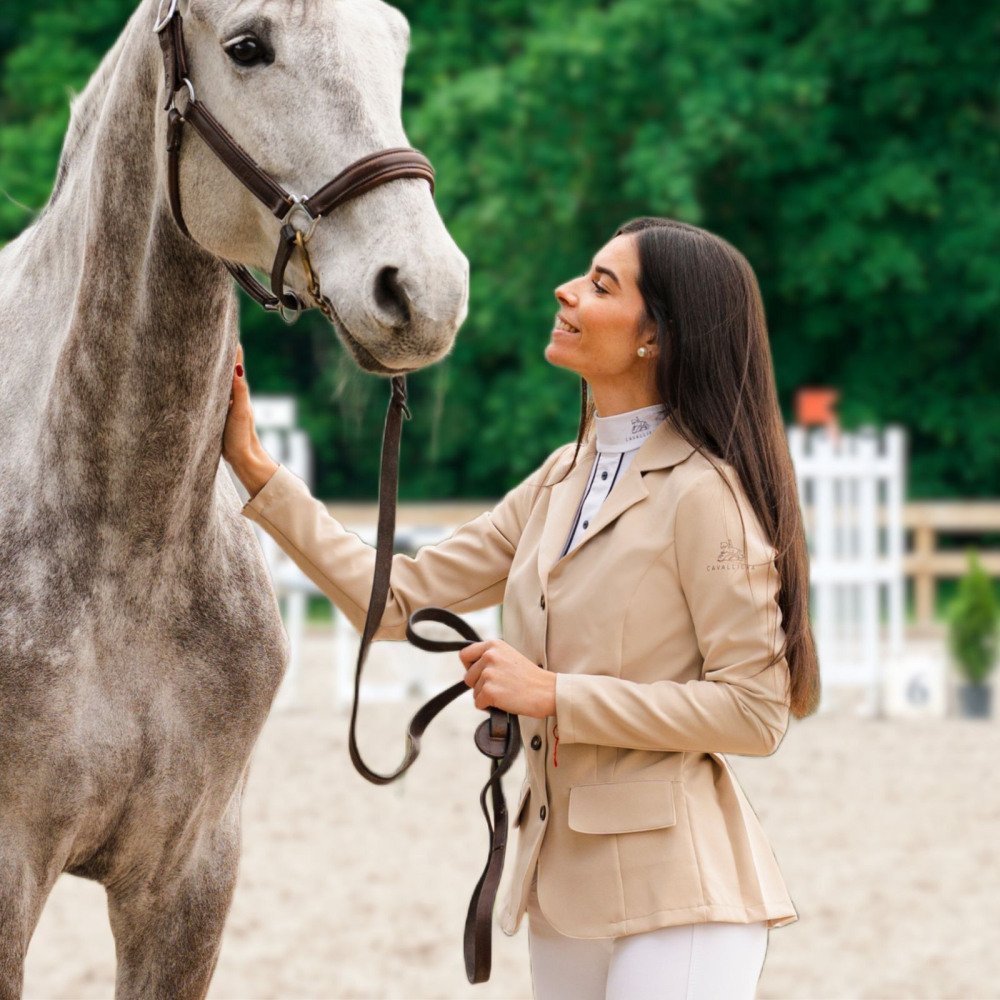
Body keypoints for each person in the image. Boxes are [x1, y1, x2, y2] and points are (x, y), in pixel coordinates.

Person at [223, 216, 820, 1000]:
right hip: (559, 890)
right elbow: (396, 601)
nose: (566, 292)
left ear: (656, 336)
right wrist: (254, 468)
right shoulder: (561, 477)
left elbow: (755, 711)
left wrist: (552, 694)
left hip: (682, 900)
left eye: (601, 286)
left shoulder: (704, 493)